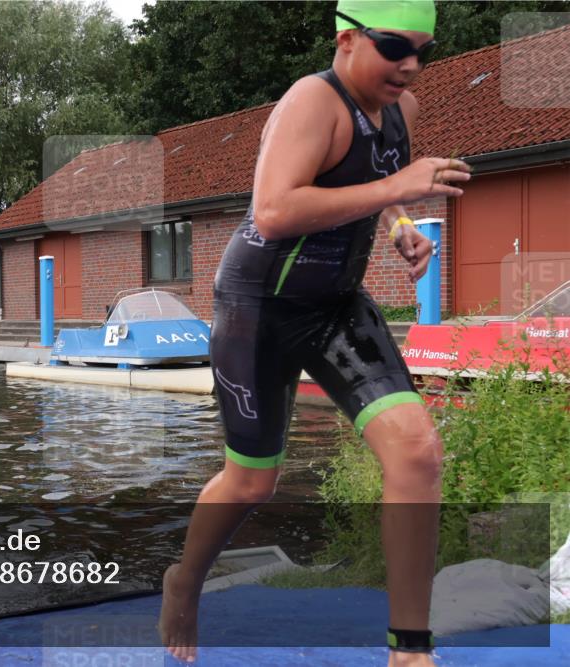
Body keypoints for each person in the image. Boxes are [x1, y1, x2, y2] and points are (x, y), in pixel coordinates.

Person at [158, 1, 470, 664]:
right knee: (252, 484)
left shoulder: (402, 110)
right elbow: (273, 210)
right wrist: (397, 186)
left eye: (422, 51)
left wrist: (400, 224)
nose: (411, 66)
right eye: (395, 47)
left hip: (335, 304)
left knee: (417, 453)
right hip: (258, 308)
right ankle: (184, 581)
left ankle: (410, 648)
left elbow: (375, 184)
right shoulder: (312, 101)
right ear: (348, 37)